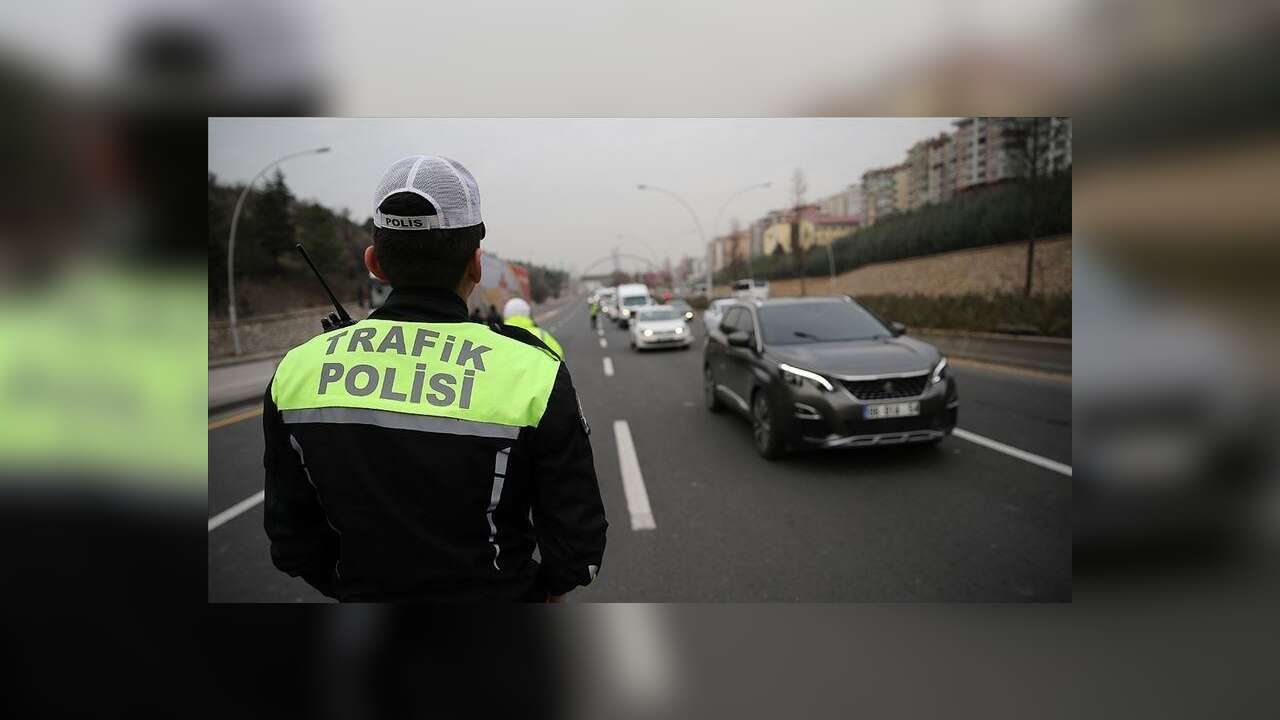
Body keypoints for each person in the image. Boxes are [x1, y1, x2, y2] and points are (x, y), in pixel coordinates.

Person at [263, 155, 607, 602]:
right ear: (476, 264)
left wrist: (353, 585)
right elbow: (578, 551)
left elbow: (292, 544)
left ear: (375, 262)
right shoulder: (534, 373)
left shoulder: (296, 372)